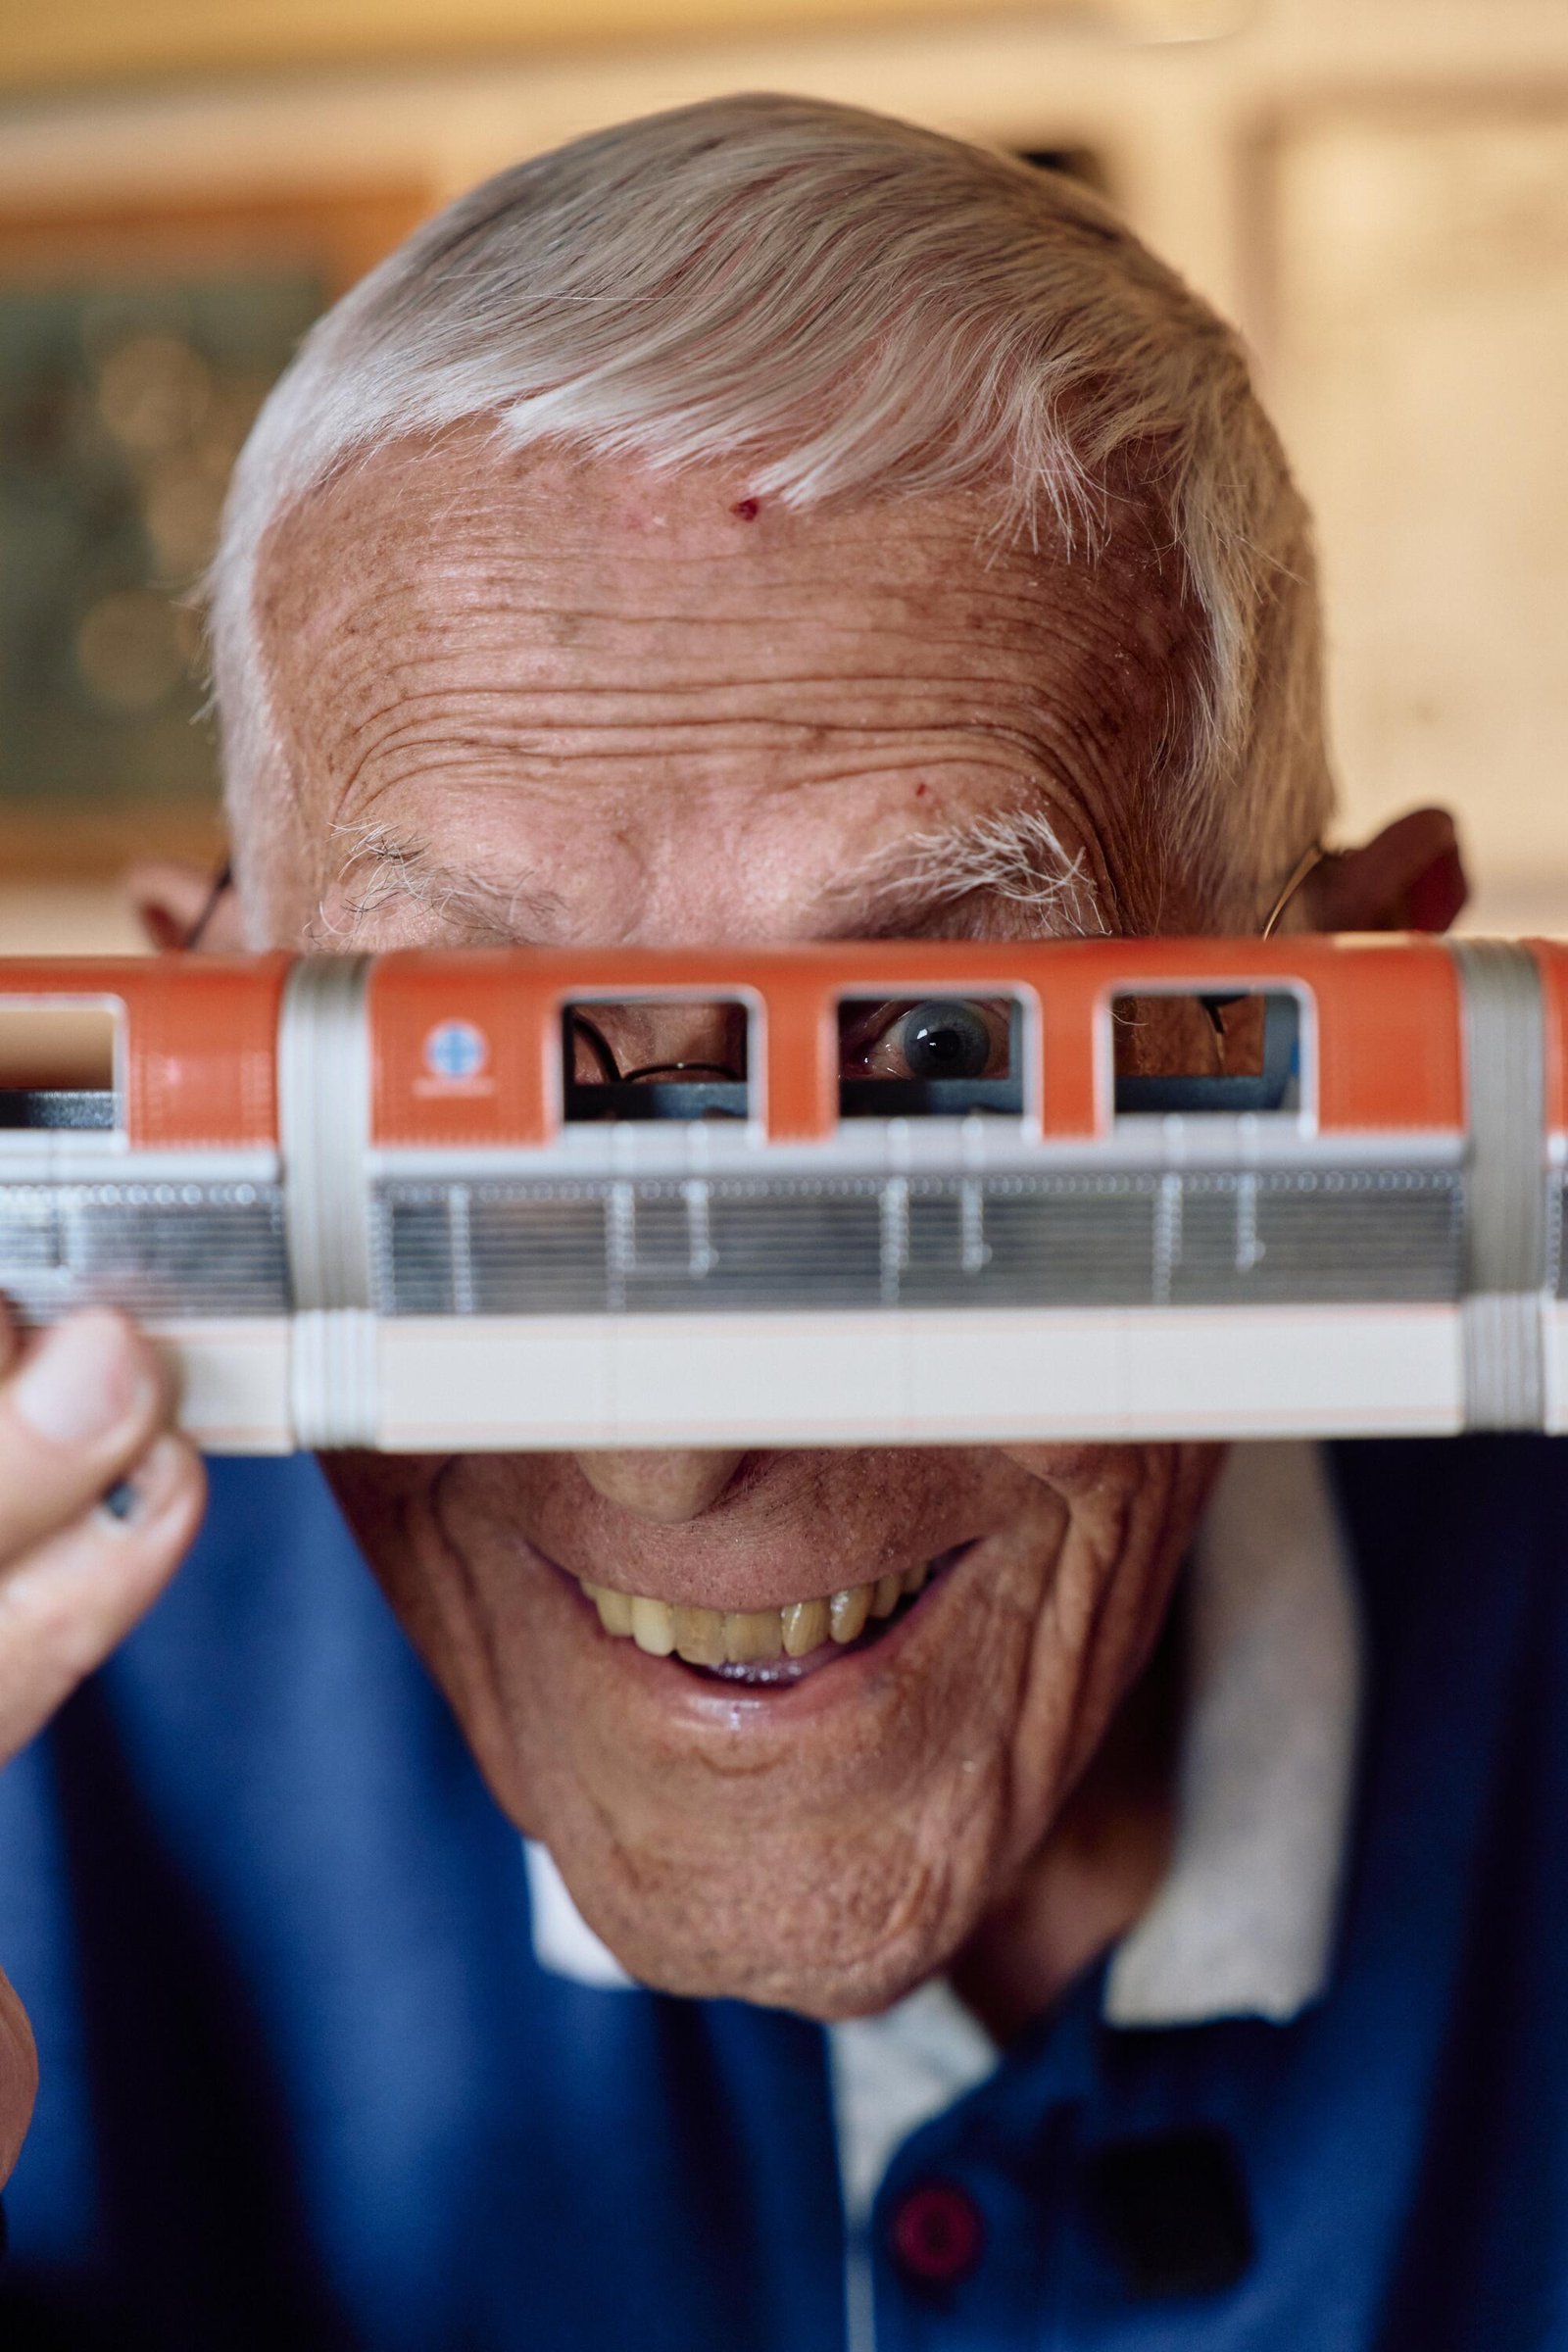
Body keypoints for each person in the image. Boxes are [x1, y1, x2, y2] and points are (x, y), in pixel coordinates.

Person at [0, 93, 1554, 2352]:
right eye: (466, 1105)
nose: (674, 1455)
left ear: (1349, 1029)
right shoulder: (54, 1728)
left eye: (935, 1076)